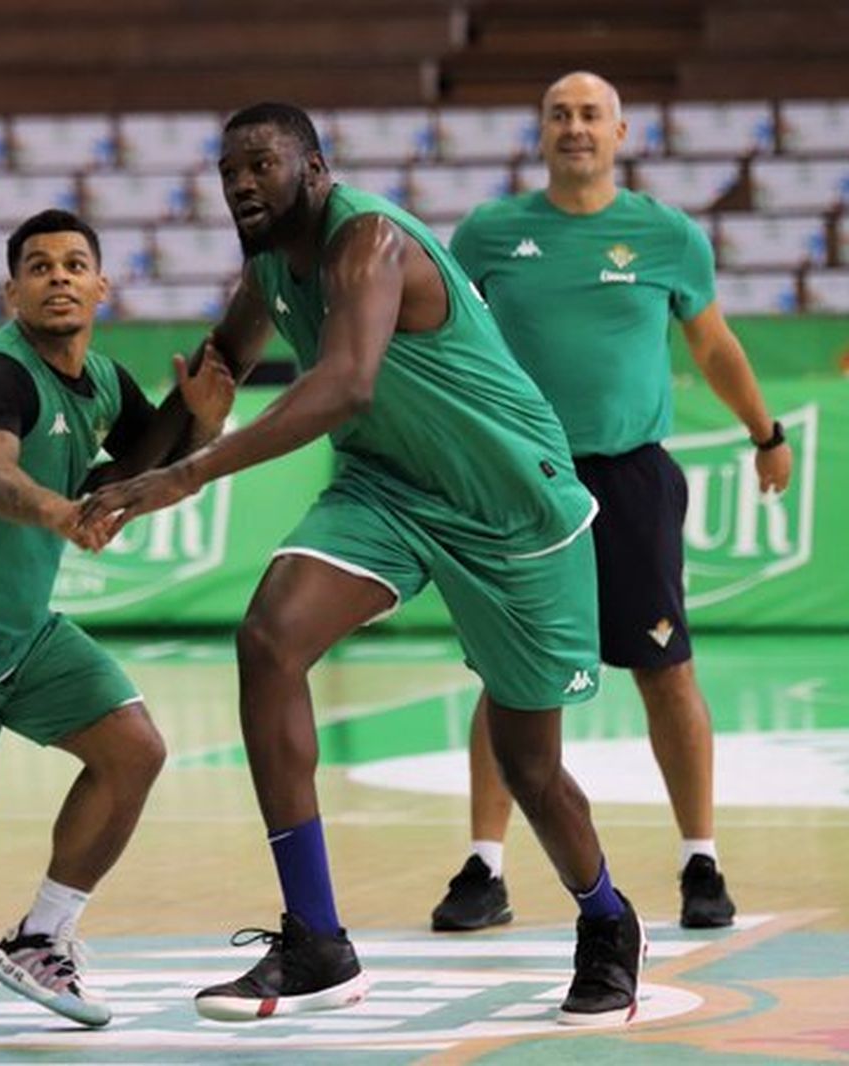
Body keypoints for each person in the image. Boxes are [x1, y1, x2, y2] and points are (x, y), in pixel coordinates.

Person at [79, 103, 645, 1026]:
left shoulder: (369, 241)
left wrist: (186, 476)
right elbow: (218, 368)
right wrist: (115, 482)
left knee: (529, 766)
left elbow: (345, 383)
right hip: (389, 488)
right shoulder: (271, 267)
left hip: (511, 505)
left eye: (261, 164)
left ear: (315, 167)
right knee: (269, 639)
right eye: (228, 171)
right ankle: (316, 940)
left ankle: (608, 919)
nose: (241, 183)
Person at [0, 209, 235, 1027]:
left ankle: (42, 936)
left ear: (102, 286)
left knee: (135, 751)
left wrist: (202, 419)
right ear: (12, 292)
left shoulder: (107, 383)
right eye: (39, 266)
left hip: (20, 631)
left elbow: (141, 474)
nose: (58, 276)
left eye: (74, 264)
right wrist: (61, 512)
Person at [434, 71, 793, 935]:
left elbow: (714, 344)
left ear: (620, 132)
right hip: (523, 481)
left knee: (666, 670)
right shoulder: (488, 233)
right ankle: (485, 867)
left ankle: (700, 859)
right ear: (540, 131)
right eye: (559, 113)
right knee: (507, 674)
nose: (575, 127)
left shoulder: (666, 236)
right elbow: (442, 341)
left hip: (632, 479)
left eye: (591, 114)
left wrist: (765, 431)